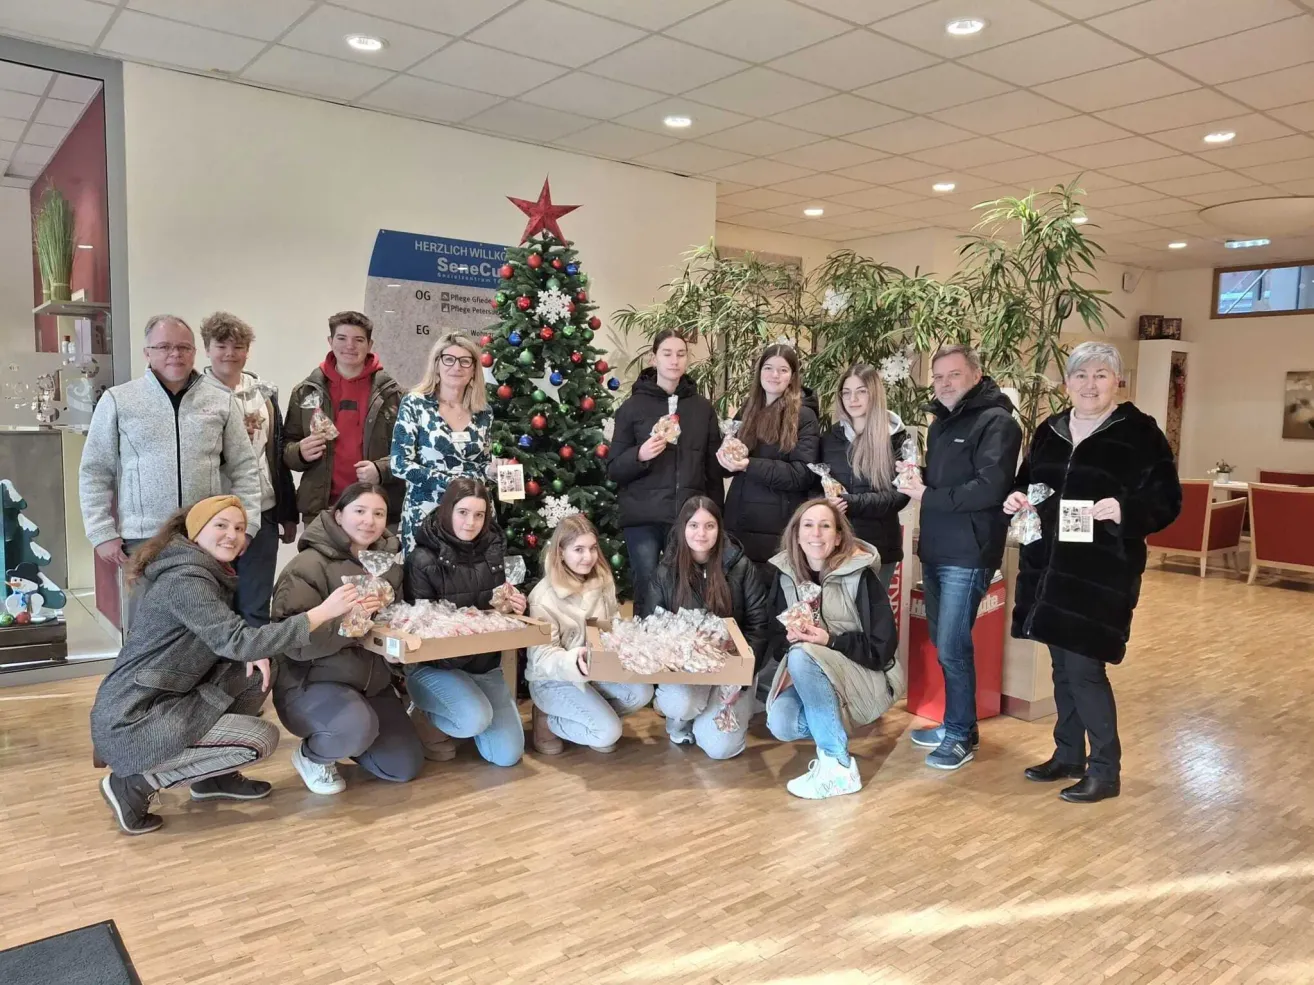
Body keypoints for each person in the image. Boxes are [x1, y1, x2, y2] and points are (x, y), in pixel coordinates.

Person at [90, 495, 360, 835]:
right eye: (220, 525)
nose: (232, 535)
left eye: (239, 528)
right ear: (195, 532)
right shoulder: (186, 580)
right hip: (135, 716)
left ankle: (212, 778)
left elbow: (229, 642)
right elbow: (237, 640)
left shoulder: (206, 573)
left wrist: (252, 649)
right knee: (261, 740)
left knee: (260, 667)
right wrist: (322, 612)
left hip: (161, 699)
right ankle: (134, 784)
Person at [1006, 341, 1181, 804]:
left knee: (1085, 669)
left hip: (1101, 574)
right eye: (1081, 375)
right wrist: (1018, 498)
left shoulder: (1140, 434)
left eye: (1101, 374)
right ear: (1066, 384)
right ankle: (1068, 754)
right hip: (1048, 571)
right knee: (1062, 667)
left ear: (1117, 382)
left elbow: (1167, 501)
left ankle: (1106, 770)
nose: (1090, 384)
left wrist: (1125, 509)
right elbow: (1029, 482)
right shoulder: (1050, 429)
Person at [902, 344, 1021, 771]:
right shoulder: (941, 424)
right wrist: (918, 478)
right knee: (944, 643)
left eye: (953, 375)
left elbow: (989, 488)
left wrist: (929, 494)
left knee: (953, 646)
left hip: (969, 553)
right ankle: (960, 725)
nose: (945, 383)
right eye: (938, 377)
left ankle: (958, 737)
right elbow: (943, 483)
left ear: (976, 374)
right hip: (935, 549)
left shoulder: (999, 423)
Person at [271, 483, 424, 794]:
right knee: (355, 727)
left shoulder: (388, 568)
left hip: (372, 683)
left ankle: (350, 734)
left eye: (378, 513)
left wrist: (397, 654)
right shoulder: (307, 567)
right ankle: (314, 755)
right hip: (312, 683)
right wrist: (348, 624)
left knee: (402, 766)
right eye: (360, 511)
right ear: (338, 515)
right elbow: (291, 644)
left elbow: (395, 622)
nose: (369, 521)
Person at [79, 314, 263, 572]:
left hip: (205, 534)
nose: (175, 354)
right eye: (164, 346)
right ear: (147, 353)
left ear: (194, 352)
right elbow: (95, 471)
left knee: (205, 610)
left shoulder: (220, 399)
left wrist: (249, 523)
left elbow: (245, 467)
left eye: (183, 347)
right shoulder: (119, 400)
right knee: (146, 611)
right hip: (144, 538)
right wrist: (100, 531)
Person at [764, 499, 902, 800]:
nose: (816, 534)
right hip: (820, 679)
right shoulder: (785, 576)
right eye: (808, 525)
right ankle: (830, 736)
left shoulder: (861, 576)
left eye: (825, 526)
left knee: (802, 654)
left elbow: (883, 648)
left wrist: (830, 640)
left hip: (866, 676)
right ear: (797, 535)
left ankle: (838, 765)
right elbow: (774, 642)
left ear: (838, 536)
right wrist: (788, 638)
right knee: (781, 722)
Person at [402, 478, 526, 768]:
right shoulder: (422, 559)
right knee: (474, 719)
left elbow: (499, 605)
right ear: (448, 510)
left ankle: (465, 707)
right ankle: (424, 714)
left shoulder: (494, 552)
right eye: (463, 513)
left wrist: (516, 605)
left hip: (485, 666)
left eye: (479, 515)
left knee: (507, 756)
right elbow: (421, 626)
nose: (471, 523)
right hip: (435, 667)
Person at [637, 496, 771, 759]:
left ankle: (707, 721)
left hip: (731, 670)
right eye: (693, 525)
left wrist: (743, 677)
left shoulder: (741, 567)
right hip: (686, 670)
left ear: (719, 529)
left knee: (721, 749)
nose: (701, 533)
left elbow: (759, 626)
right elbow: (649, 628)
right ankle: (679, 720)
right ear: (682, 528)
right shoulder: (665, 572)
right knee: (682, 702)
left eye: (709, 526)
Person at [200, 311, 300, 625]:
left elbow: (276, 456)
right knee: (215, 604)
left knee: (256, 603)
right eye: (221, 346)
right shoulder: (195, 397)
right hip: (213, 515)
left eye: (238, 346)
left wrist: (287, 512)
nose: (230, 353)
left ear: (248, 350)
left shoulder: (264, 396)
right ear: (207, 349)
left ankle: (255, 671)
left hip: (264, 512)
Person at [525, 514, 652, 755]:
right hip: (555, 679)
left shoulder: (603, 580)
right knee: (606, 734)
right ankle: (548, 720)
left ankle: (591, 716)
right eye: (579, 550)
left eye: (593, 548)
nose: (588, 557)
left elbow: (612, 624)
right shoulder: (543, 597)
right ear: (561, 552)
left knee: (642, 692)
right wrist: (572, 659)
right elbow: (541, 656)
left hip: (595, 670)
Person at [608, 329, 723, 591]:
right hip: (643, 517)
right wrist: (640, 455)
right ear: (653, 358)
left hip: (688, 517)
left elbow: (712, 470)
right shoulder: (632, 408)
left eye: (681, 354)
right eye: (667, 353)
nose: (674, 360)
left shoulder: (702, 408)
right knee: (648, 586)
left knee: (687, 589)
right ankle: (644, 634)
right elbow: (614, 468)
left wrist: (716, 515)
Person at [283, 311, 404, 529]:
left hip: (376, 512)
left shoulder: (394, 395)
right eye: (341, 338)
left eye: (358, 340)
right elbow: (286, 449)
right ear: (330, 341)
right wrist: (300, 452)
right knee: (317, 565)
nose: (350, 346)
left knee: (371, 565)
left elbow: (409, 452)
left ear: (370, 344)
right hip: (321, 512)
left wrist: (381, 470)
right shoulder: (305, 392)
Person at [390, 332, 492, 554]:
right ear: (436, 365)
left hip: (470, 517)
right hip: (426, 511)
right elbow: (399, 463)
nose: (457, 367)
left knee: (469, 581)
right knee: (424, 582)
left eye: (465, 361)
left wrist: (492, 470)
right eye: (449, 359)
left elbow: (483, 463)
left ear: (474, 369)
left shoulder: (484, 412)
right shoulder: (415, 403)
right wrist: (452, 485)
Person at [719, 343, 821, 565]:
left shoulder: (804, 416)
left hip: (778, 529)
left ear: (792, 377)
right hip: (738, 524)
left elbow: (802, 474)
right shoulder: (747, 409)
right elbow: (726, 468)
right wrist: (724, 458)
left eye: (783, 370)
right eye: (768, 368)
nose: (774, 375)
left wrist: (748, 465)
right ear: (759, 373)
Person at [818, 362, 911, 588]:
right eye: (847, 393)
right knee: (837, 618)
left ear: (874, 394)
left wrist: (850, 502)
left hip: (879, 547)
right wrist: (825, 503)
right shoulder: (831, 437)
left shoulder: (895, 437)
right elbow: (815, 483)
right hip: (836, 546)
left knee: (872, 618)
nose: (853, 399)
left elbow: (900, 495)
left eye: (861, 392)